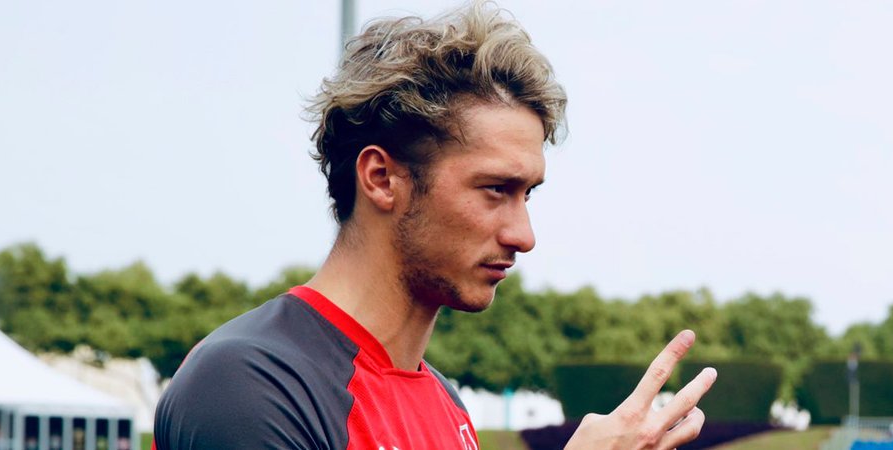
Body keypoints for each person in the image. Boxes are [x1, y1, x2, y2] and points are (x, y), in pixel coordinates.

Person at [153, 2, 717, 449]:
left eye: (527, 194)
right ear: (381, 178)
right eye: (495, 189)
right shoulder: (249, 383)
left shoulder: (447, 407)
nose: (524, 236)